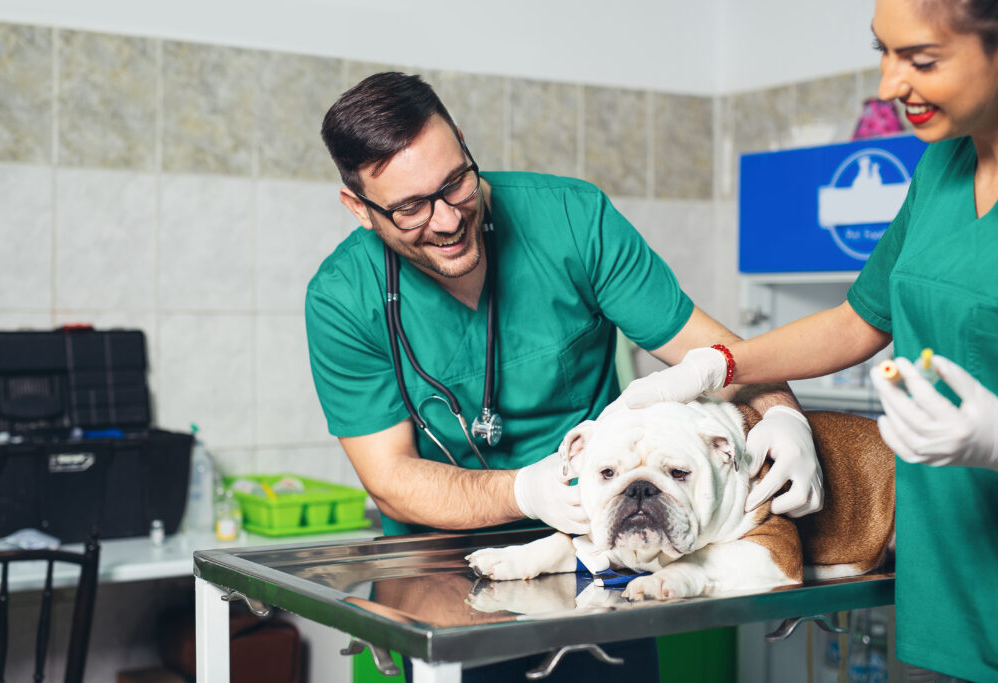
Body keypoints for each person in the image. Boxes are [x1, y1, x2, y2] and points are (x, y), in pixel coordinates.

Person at [306, 71, 822, 681]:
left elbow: (717, 356)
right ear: (359, 209)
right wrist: (525, 491)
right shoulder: (342, 298)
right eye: (410, 208)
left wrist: (785, 414)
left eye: (454, 183)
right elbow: (389, 479)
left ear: (466, 147)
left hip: (611, 556)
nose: (446, 220)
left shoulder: (574, 221)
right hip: (444, 574)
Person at [619, 0, 998, 679]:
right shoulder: (942, 170)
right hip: (941, 584)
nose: (888, 84)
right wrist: (720, 364)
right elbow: (858, 320)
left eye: (921, 59)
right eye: (883, 50)